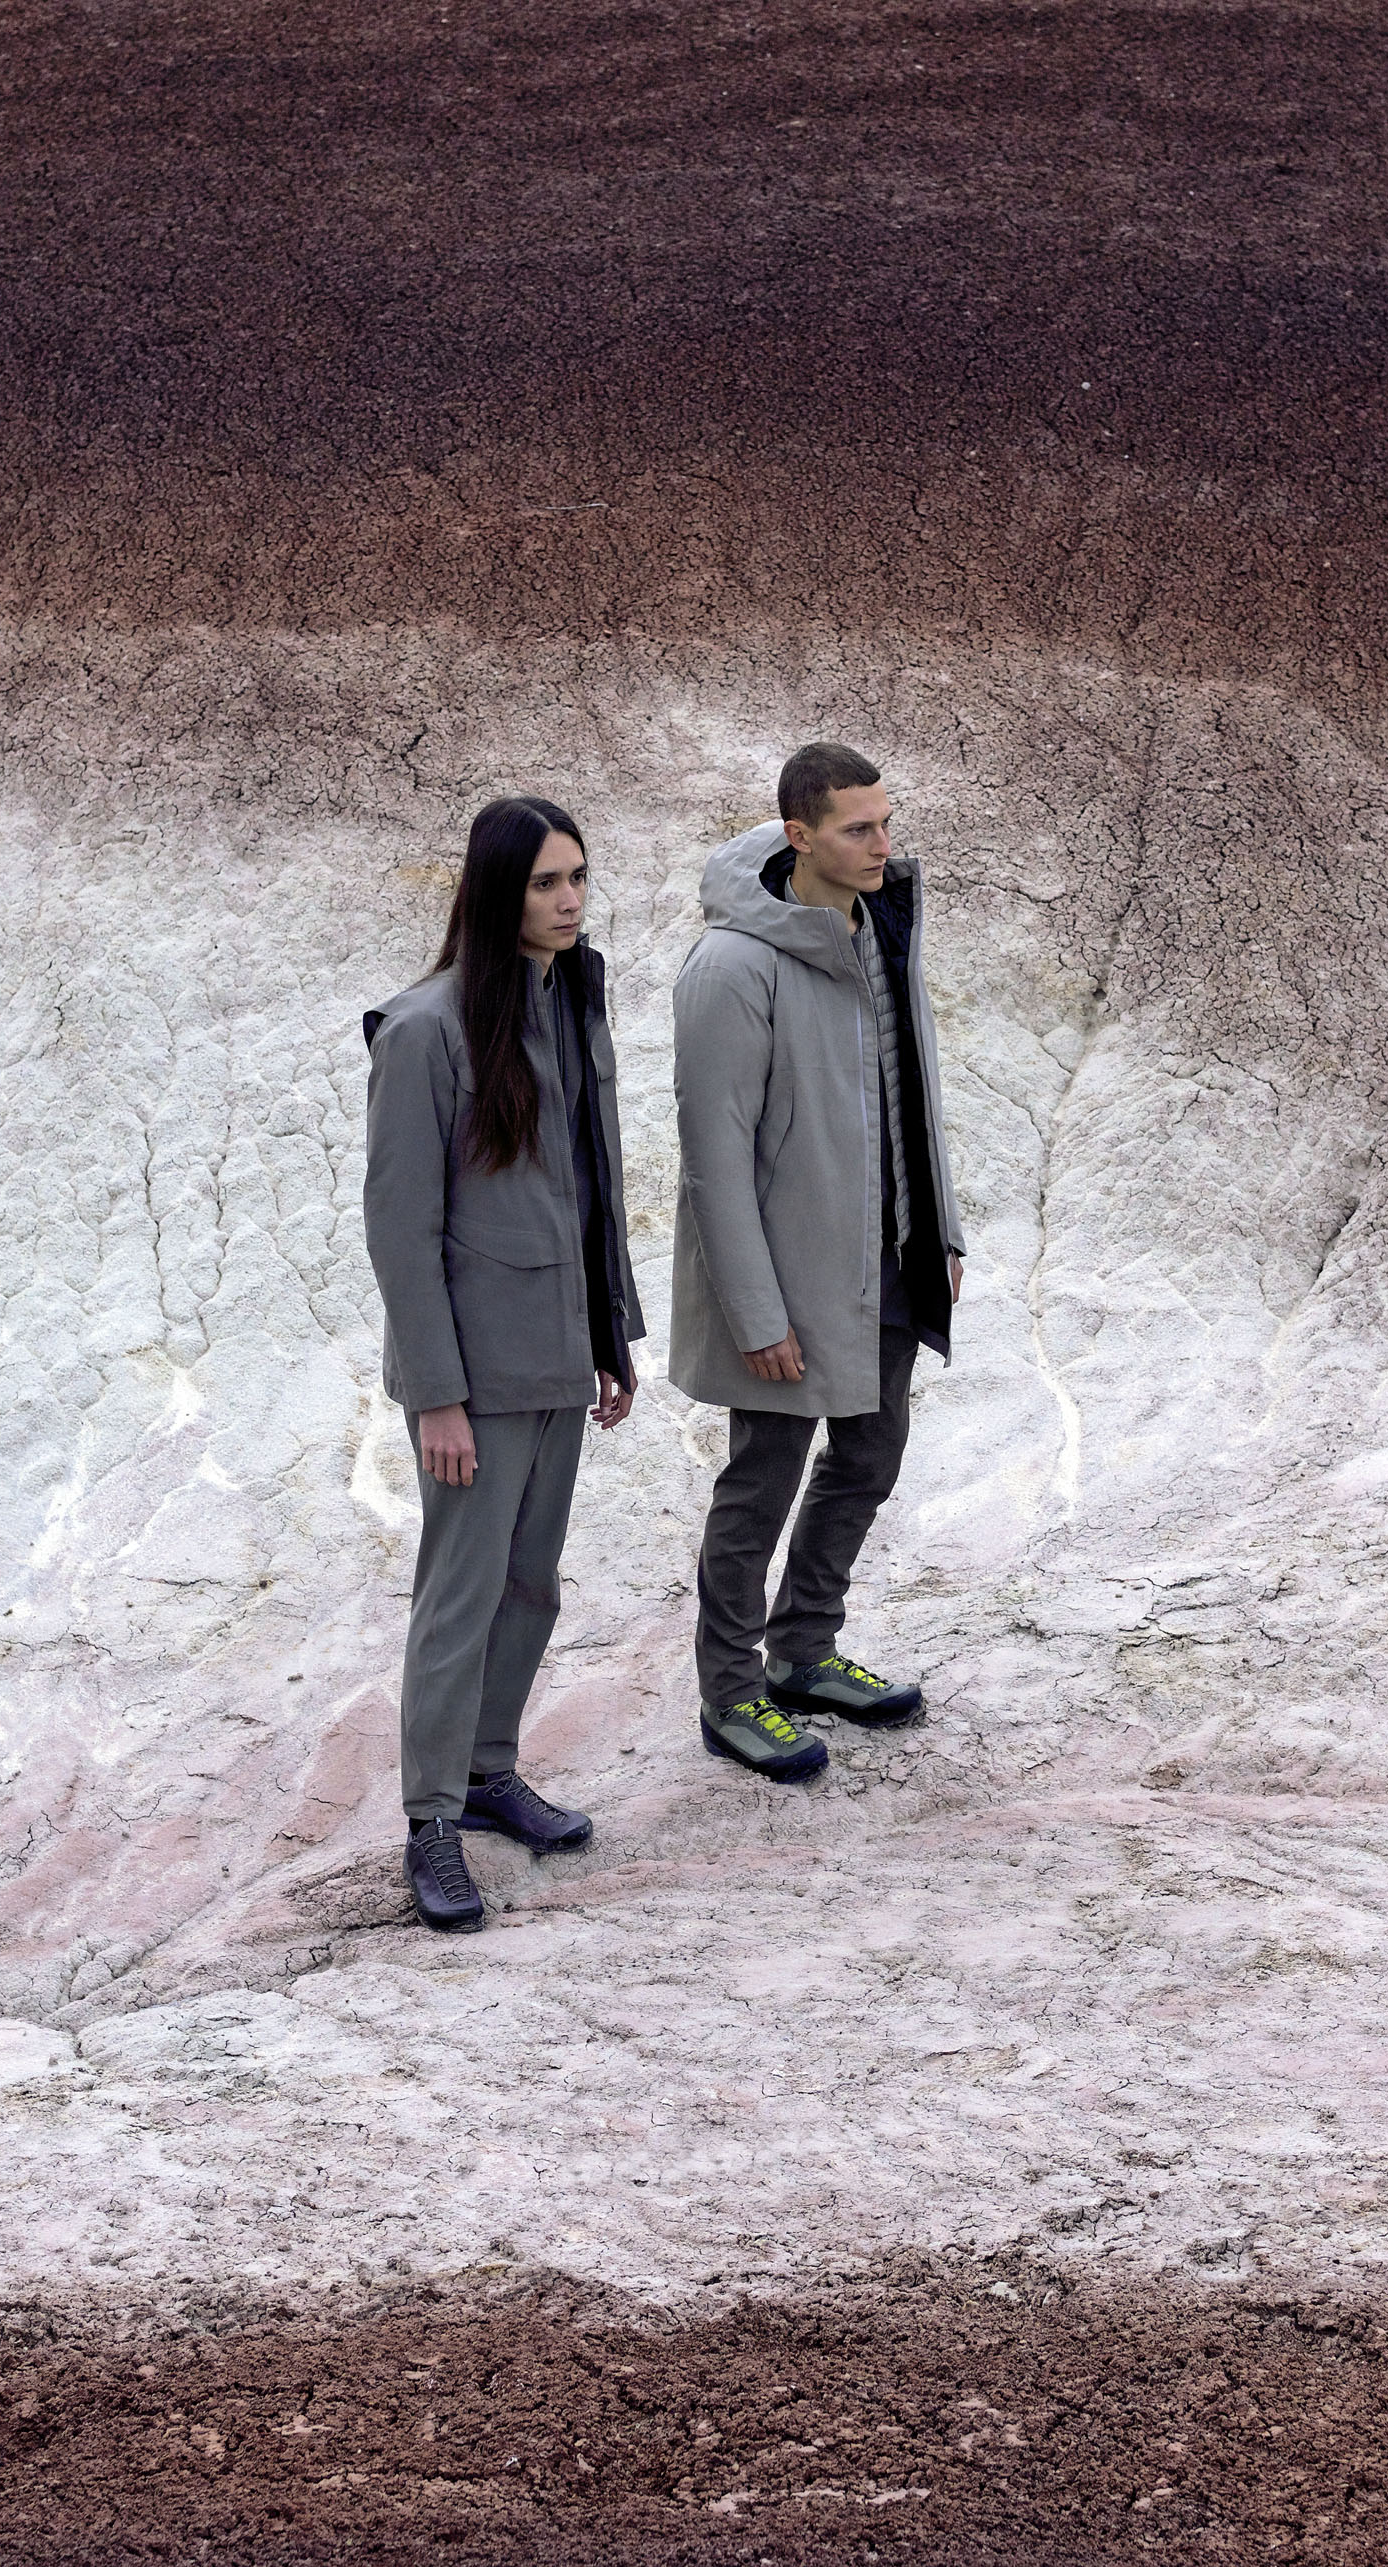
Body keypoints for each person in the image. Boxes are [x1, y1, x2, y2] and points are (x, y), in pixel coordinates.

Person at [363, 798, 644, 1930]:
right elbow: (400, 1229)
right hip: (472, 1375)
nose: (569, 901)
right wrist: (438, 1396)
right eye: (543, 883)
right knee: (461, 1594)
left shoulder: (569, 1000)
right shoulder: (424, 1030)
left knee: (531, 1583)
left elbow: (590, 1186)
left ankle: (488, 1773)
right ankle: (431, 1822)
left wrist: (609, 1337)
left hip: (556, 1352)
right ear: (495, 892)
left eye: (577, 878)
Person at [671, 742, 965, 1781]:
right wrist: (757, 1315)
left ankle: (803, 1652)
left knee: (870, 1457)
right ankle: (729, 1693)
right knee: (761, 1484)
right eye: (858, 829)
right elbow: (712, 1161)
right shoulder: (730, 967)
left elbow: (912, 1094)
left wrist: (941, 1232)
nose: (883, 845)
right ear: (799, 836)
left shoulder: (877, 928)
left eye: (886, 823)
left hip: (886, 1256)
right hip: (788, 1280)